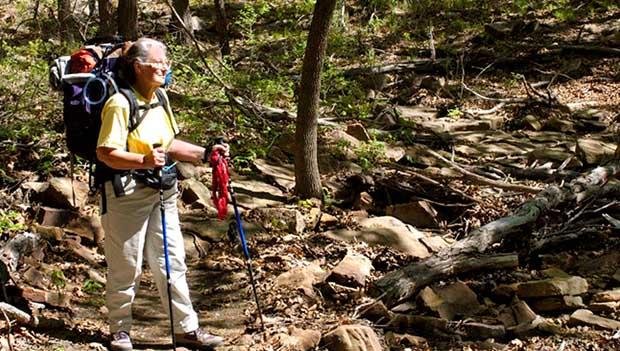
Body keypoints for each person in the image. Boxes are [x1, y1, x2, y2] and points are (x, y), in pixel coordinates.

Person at [96, 37, 226, 351]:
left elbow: (168, 144)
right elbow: (105, 152)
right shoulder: (119, 103)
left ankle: (186, 329)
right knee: (126, 264)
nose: (165, 67)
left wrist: (205, 154)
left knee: (172, 261)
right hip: (127, 195)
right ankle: (119, 331)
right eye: (158, 63)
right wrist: (141, 160)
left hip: (163, 193)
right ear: (138, 67)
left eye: (166, 62)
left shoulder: (161, 98)